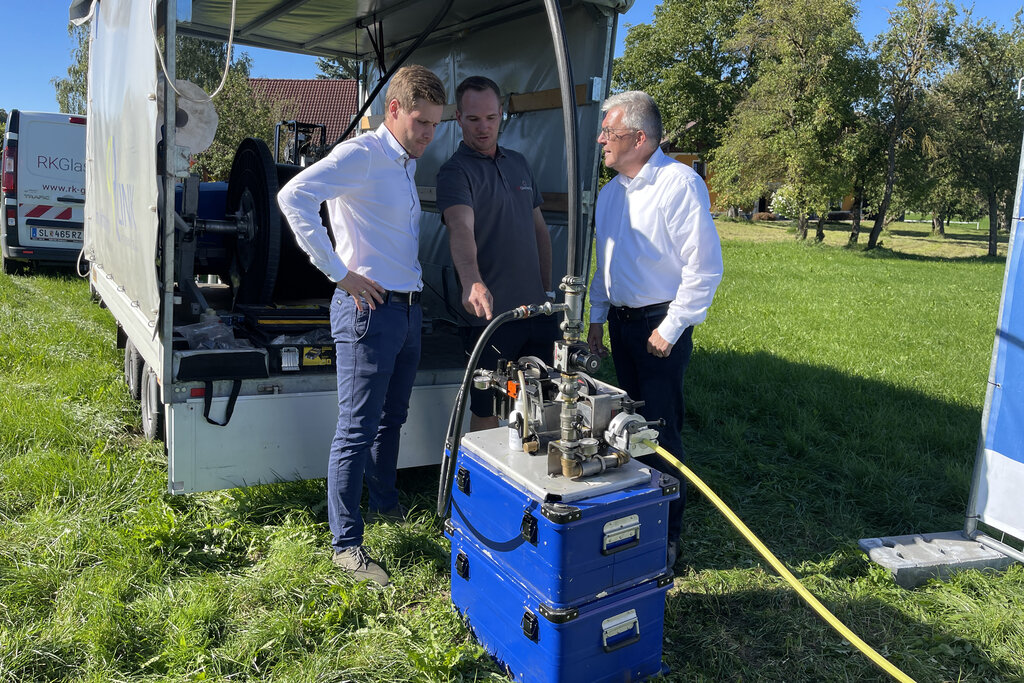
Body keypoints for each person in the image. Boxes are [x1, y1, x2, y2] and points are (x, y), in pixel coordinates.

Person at [277, 65, 446, 586]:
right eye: (421, 122)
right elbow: (293, 196)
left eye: (435, 126)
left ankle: (386, 505)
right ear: (393, 110)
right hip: (368, 310)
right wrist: (340, 273)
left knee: (392, 417)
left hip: (406, 308)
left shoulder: (400, 163)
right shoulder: (362, 155)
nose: (428, 135)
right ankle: (346, 546)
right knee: (355, 428)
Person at [586, 91, 723, 568]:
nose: (601, 139)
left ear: (640, 138)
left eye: (610, 132)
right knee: (624, 426)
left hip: (659, 326)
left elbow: (704, 267)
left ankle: (667, 538)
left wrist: (672, 326)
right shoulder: (609, 193)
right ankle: (633, 519)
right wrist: (597, 322)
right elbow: (604, 263)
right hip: (623, 326)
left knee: (660, 434)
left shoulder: (678, 184)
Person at [436, 75, 558, 431]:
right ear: (458, 118)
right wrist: (472, 280)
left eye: (491, 117)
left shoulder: (518, 163)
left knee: (547, 397)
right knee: (486, 405)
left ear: (501, 113)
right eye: (473, 119)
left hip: (536, 310)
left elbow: (539, 231)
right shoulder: (454, 172)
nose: (484, 127)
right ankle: (482, 483)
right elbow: (460, 227)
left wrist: (546, 292)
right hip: (490, 317)